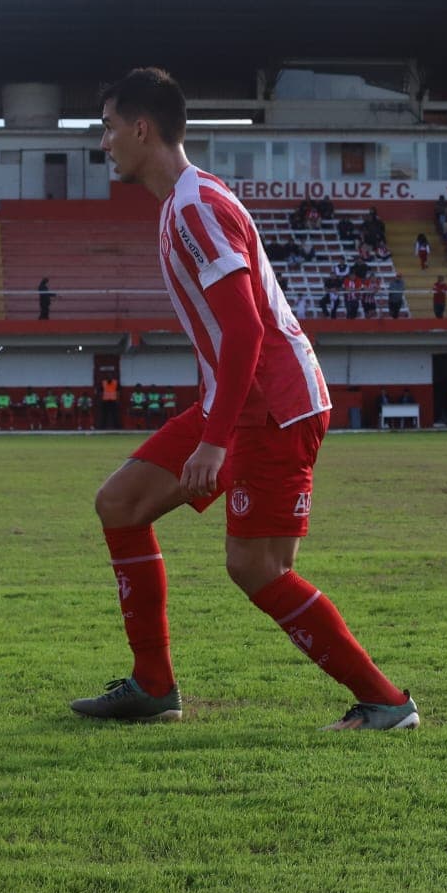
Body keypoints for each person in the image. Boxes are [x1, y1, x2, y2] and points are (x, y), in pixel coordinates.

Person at [72, 67, 416, 732]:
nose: (104, 142)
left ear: (141, 129)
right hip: (237, 402)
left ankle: (386, 703)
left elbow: (247, 329)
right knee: (120, 504)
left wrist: (213, 441)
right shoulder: (184, 204)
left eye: (109, 128)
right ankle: (153, 687)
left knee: (257, 567)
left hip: (274, 406)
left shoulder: (195, 208)